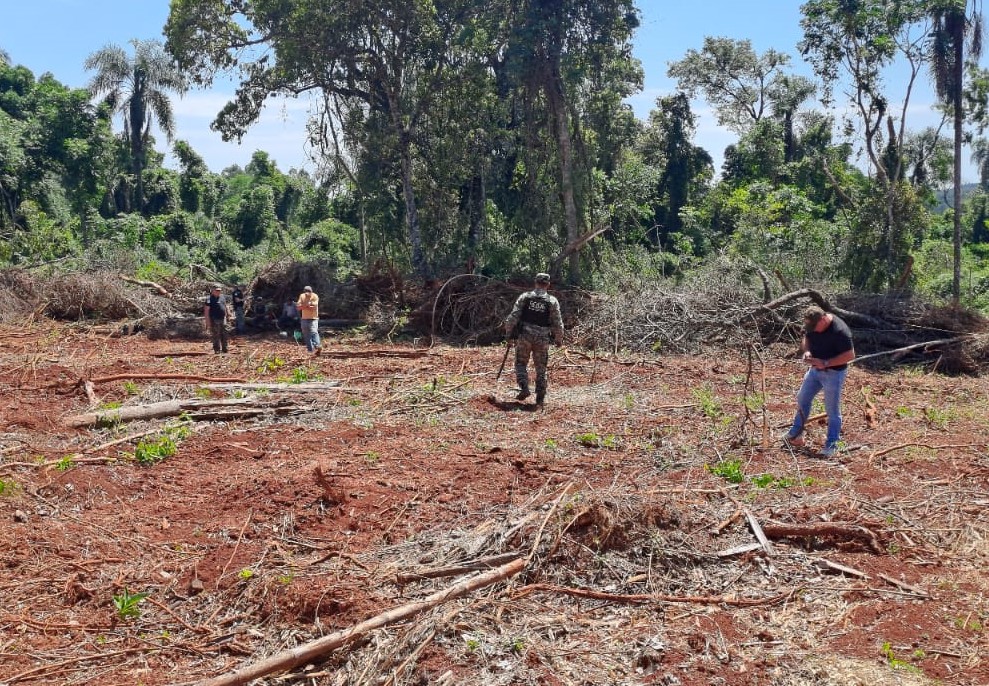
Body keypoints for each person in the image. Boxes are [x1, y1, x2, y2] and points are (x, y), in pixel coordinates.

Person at [782, 306, 856, 457]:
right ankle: (796, 435)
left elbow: (850, 355)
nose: (812, 330)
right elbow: (806, 339)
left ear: (823, 319)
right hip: (815, 371)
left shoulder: (840, 331)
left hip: (833, 374)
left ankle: (832, 445)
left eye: (814, 327)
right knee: (802, 398)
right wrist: (807, 352)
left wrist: (826, 363)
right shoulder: (812, 326)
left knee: (832, 411)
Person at [504, 272, 564, 406]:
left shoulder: (525, 297)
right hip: (542, 339)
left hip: (524, 336)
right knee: (541, 368)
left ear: (535, 282)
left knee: (520, 364)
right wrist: (559, 339)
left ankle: (524, 387)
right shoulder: (552, 301)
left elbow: (512, 318)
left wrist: (509, 335)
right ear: (548, 285)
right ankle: (540, 397)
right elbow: (558, 323)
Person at [203, 284, 229, 354]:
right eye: (217, 290)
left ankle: (225, 349)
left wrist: (227, 315)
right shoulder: (209, 299)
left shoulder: (222, 297)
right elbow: (206, 311)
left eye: (219, 290)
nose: (218, 291)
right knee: (216, 335)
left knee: (224, 334)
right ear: (213, 291)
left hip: (223, 318)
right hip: (214, 319)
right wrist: (207, 322)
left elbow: (225, 306)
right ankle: (217, 349)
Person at [297, 285, 321, 354]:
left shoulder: (315, 296)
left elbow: (314, 307)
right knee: (306, 334)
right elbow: (298, 307)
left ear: (311, 291)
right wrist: (307, 305)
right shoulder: (302, 296)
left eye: (309, 292)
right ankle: (310, 350)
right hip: (304, 318)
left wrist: (304, 306)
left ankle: (318, 345)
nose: (308, 294)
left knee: (314, 331)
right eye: (306, 292)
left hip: (313, 318)